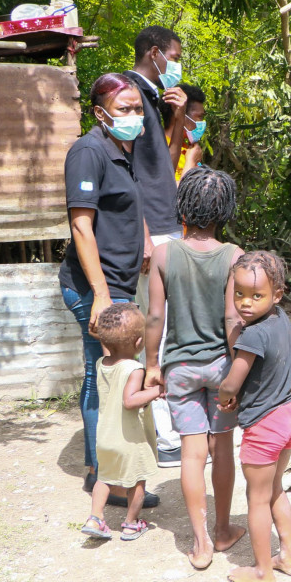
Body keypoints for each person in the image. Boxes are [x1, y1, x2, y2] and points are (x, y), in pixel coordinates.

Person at [60, 73, 158, 509]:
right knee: (107, 379)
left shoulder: (121, 149)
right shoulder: (88, 150)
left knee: (107, 377)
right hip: (95, 287)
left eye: (138, 108)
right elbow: (81, 224)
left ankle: (103, 470)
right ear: (100, 113)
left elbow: (125, 203)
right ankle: (107, 478)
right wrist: (100, 293)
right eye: (125, 109)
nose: (134, 116)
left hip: (119, 281)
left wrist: (147, 238)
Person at [144, 167, 246, 569]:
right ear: (225, 211)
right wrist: (238, 367)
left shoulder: (166, 254)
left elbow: (154, 317)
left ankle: (200, 543)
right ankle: (223, 530)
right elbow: (232, 319)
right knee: (222, 449)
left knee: (191, 454)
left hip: (180, 368)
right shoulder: (233, 256)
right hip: (221, 366)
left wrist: (153, 365)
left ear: (183, 207)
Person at [218, 251, 291, 582]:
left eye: (257, 296)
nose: (245, 303)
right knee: (275, 489)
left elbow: (232, 381)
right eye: (239, 293)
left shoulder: (251, 335)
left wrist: (226, 396)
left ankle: (262, 570)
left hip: (265, 425)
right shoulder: (282, 318)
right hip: (289, 417)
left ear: (277, 295)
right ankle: (288, 557)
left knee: (256, 499)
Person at [125, 25, 189, 467]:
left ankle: (165, 427)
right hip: (152, 230)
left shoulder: (152, 98)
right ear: (155, 53)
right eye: (175, 55)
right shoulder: (127, 93)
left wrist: (178, 117)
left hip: (167, 223)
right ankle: (163, 436)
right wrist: (144, 233)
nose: (178, 64)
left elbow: (163, 167)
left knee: (167, 328)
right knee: (156, 328)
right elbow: (127, 173)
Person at [79, 303, 160, 541]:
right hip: (128, 439)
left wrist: (102, 333)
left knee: (104, 477)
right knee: (137, 481)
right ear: (138, 343)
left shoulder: (102, 363)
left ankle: (95, 518)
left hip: (105, 437)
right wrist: (156, 392)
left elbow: (108, 346)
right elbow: (130, 400)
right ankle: (131, 523)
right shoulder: (134, 369)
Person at [171, 85, 207, 183]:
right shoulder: (159, 149)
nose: (202, 122)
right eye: (199, 117)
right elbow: (169, 193)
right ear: (181, 114)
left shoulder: (188, 149)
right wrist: (191, 161)